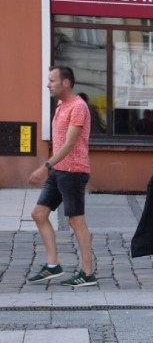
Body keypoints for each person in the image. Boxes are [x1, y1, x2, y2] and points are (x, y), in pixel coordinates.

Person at [27, 66, 96, 287]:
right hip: (60, 171)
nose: (48, 84)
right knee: (39, 214)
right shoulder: (60, 105)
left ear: (66, 83)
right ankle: (53, 265)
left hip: (73, 171)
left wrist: (45, 166)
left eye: (52, 81)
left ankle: (87, 273)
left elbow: (69, 143)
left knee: (76, 221)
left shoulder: (78, 107)